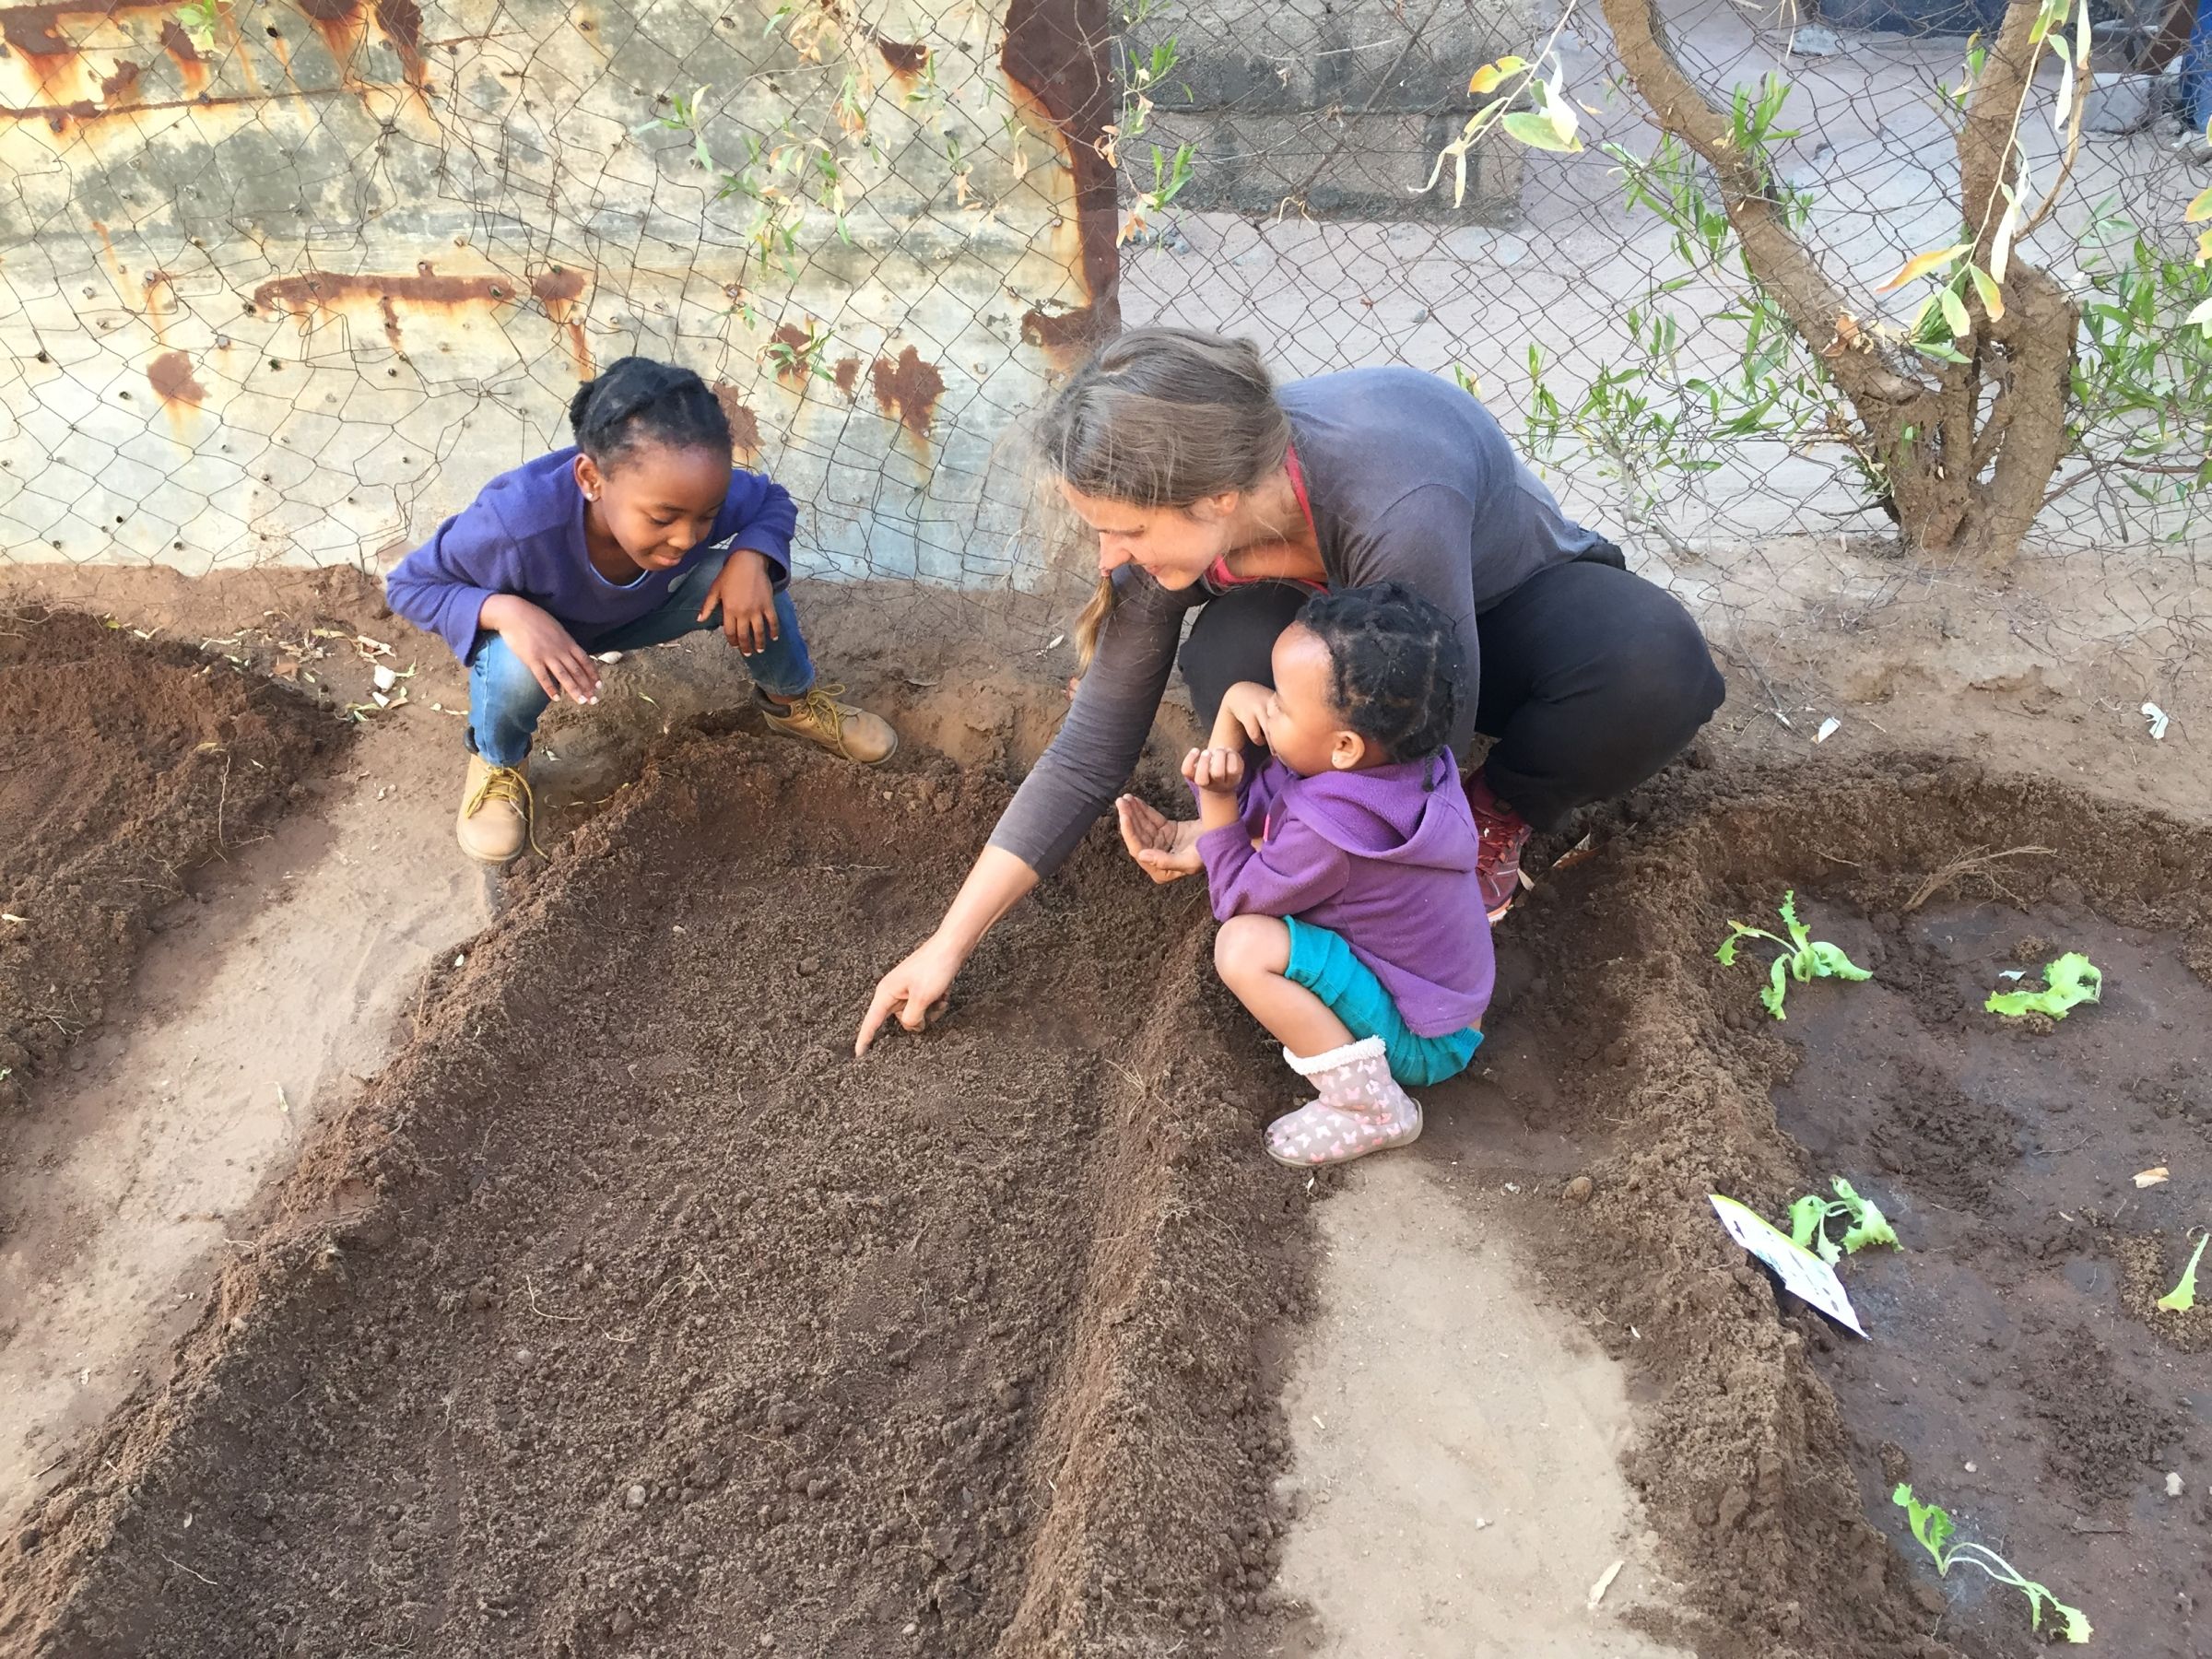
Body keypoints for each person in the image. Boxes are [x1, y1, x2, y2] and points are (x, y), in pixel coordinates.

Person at [856, 326, 1723, 1057]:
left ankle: (1500, 811)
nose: (1107, 557)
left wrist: (1267, 853)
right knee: (1235, 648)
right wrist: (947, 944)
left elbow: (1431, 737)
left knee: (1654, 668)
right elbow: (1092, 749)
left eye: (1124, 532)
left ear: (1220, 499)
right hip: (1352, 639)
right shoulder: (1192, 501)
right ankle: (1300, 816)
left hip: (1505, 610)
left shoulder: (1390, 499)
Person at [386, 356, 896, 865]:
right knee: (512, 666)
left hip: (652, 606)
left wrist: (751, 557)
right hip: (552, 640)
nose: (685, 537)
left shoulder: (689, 486)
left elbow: (771, 501)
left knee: (759, 587)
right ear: (591, 479)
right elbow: (410, 586)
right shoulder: (514, 523)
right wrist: (506, 612)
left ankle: (792, 706)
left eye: (707, 517)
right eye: (662, 518)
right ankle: (499, 763)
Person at [1189, 583, 1490, 1167]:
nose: (1264, 708)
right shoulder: (1415, 767)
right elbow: (1275, 802)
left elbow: (1234, 897)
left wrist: (1214, 798)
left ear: (1345, 746)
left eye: (1279, 703)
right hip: (1450, 1008)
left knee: (1244, 947)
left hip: (1422, 1040)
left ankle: (1369, 1109)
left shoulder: (1330, 833)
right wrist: (1234, 706)